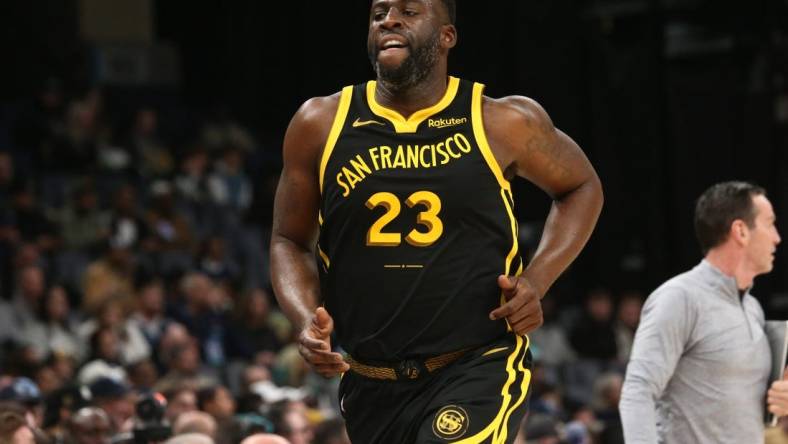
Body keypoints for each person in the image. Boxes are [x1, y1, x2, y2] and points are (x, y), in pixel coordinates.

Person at [270, 0, 603, 442]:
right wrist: (304, 320)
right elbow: (288, 240)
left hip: (476, 362)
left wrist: (536, 281)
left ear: (447, 36)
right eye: (379, 13)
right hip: (372, 377)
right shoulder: (319, 123)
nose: (389, 19)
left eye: (409, 12)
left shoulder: (501, 121)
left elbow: (581, 187)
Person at [620, 181, 782, 443]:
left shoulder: (754, 308)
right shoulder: (679, 298)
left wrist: (779, 399)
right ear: (740, 231)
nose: (777, 237)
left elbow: (738, 401)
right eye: (770, 223)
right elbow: (638, 391)